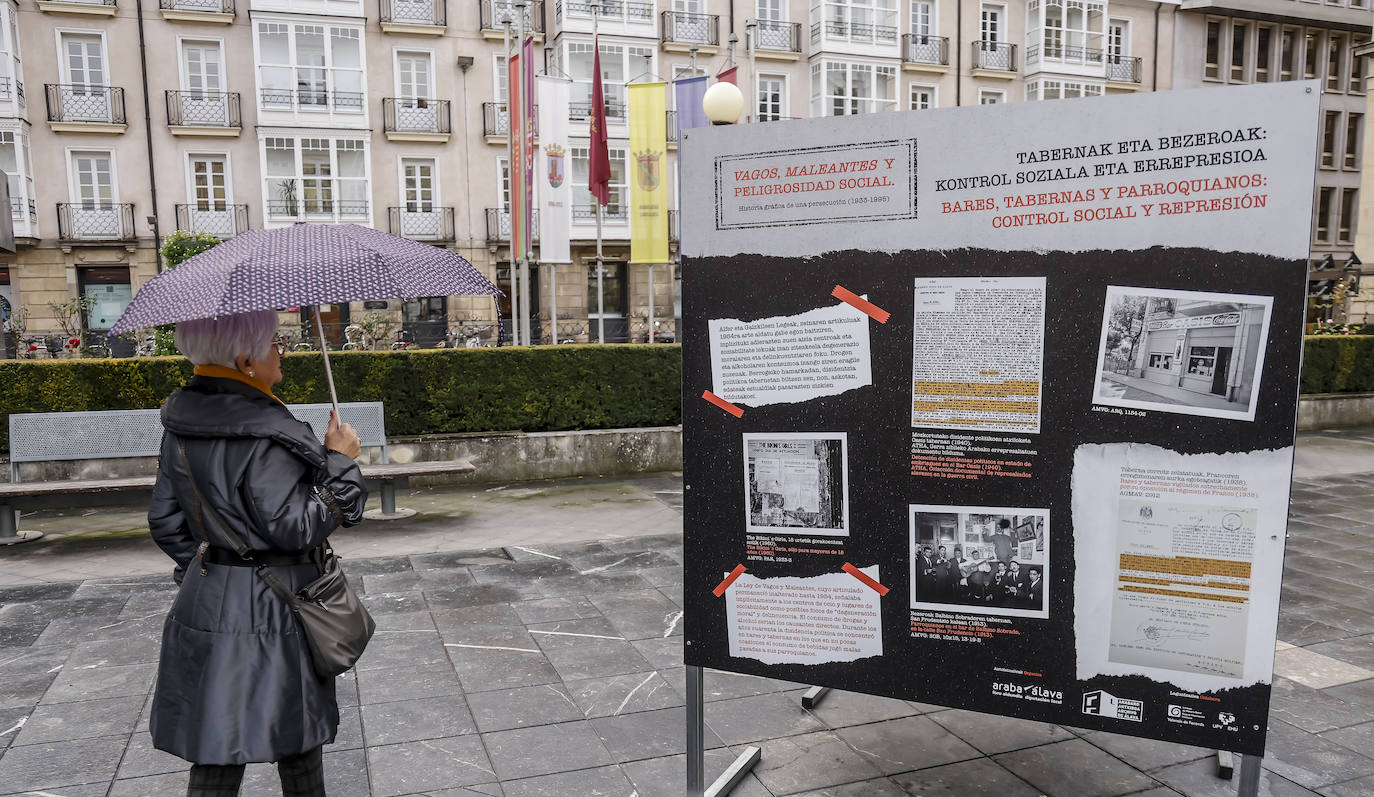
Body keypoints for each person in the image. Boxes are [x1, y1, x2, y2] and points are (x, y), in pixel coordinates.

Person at [146, 310, 368, 797]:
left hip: (206, 596)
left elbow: (166, 520)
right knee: (299, 737)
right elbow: (295, 528)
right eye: (273, 344)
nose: (281, 352)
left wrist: (213, 569)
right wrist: (341, 462)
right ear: (245, 360)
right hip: (278, 603)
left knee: (216, 744)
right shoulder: (268, 434)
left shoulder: (182, 422)